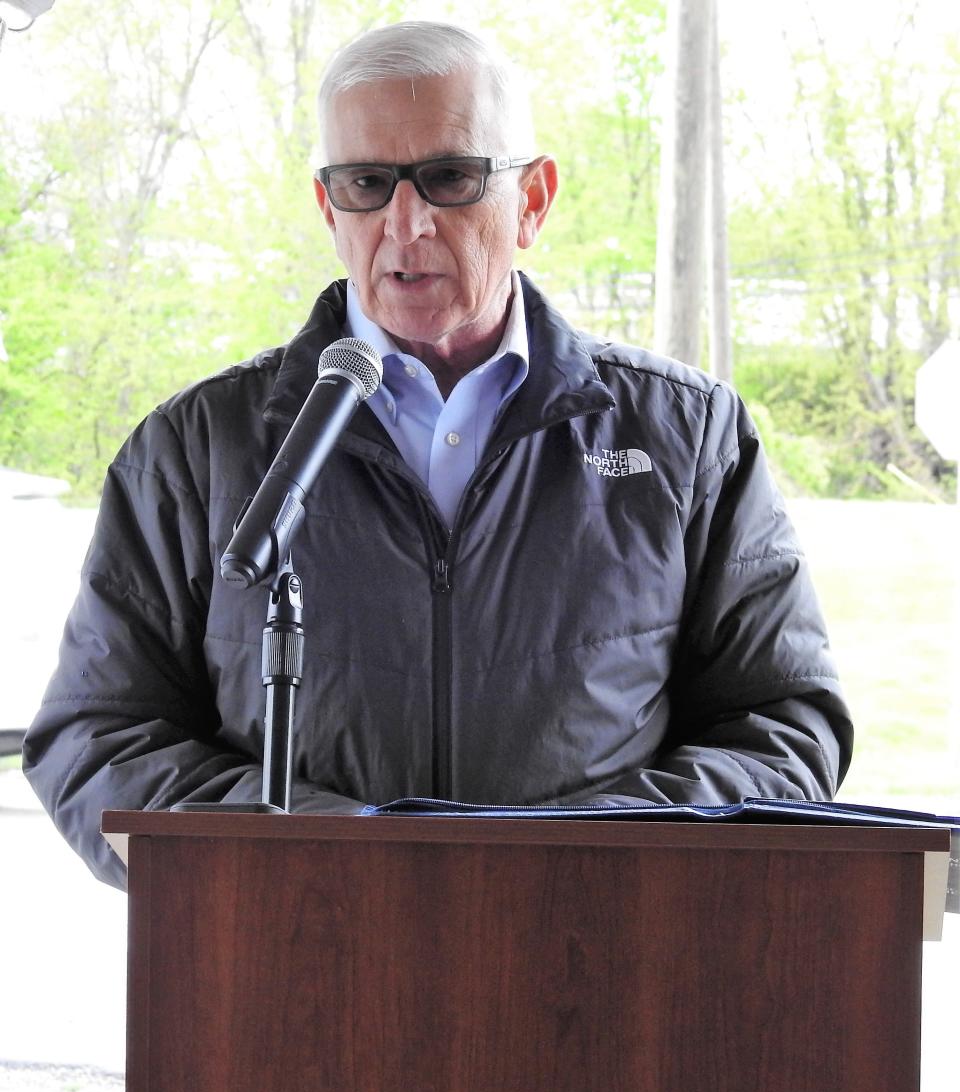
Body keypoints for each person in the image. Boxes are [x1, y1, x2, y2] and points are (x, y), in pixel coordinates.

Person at [23, 21, 853, 890]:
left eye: (450, 178)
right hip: (297, 972)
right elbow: (97, 738)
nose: (405, 223)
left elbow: (785, 724)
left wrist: (581, 859)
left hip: (603, 963)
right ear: (328, 207)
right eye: (367, 184)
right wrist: (343, 854)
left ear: (532, 199)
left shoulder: (686, 437)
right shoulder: (195, 451)